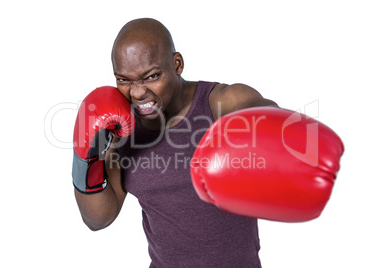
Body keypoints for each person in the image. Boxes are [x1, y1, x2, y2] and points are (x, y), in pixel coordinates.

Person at [72, 18, 343, 267]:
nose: (139, 92)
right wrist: (85, 156)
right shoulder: (121, 129)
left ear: (177, 64)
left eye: (151, 76)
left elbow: (285, 126)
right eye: (124, 80)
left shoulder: (221, 103)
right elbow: (98, 219)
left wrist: (258, 133)